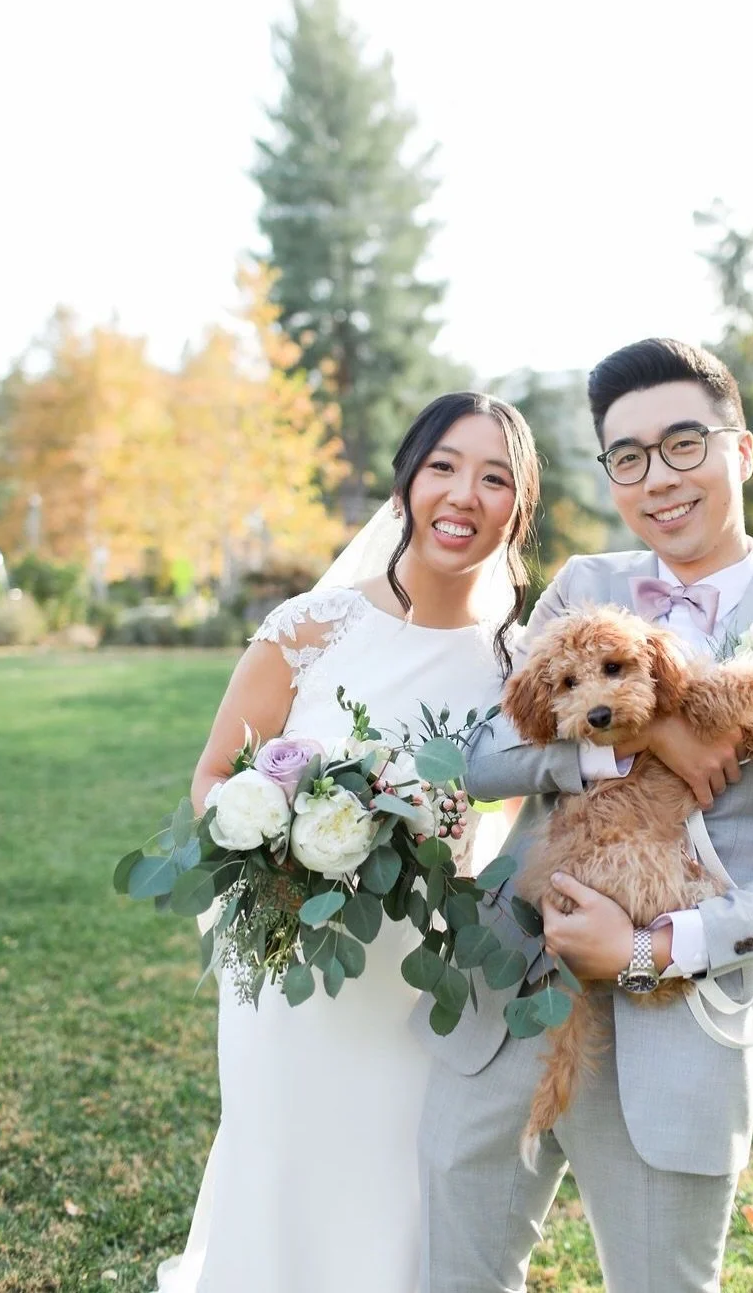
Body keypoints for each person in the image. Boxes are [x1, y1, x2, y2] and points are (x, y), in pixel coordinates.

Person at [415, 338, 753, 1292]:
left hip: (680, 1028)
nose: (657, 479)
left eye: (683, 444)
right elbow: (479, 752)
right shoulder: (584, 586)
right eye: (627, 457)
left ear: (739, 450)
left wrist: (651, 949)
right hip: (511, 997)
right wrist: (636, 740)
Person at [155, 392, 541, 1293]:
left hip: (426, 970)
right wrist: (284, 840)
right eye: (444, 465)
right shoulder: (310, 628)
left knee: (402, 1184)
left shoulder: (521, 660)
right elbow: (215, 776)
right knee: (287, 1160)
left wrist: (464, 839)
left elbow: (515, 818)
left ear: (518, 510)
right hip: (300, 958)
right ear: (407, 480)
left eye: (496, 478)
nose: (464, 494)